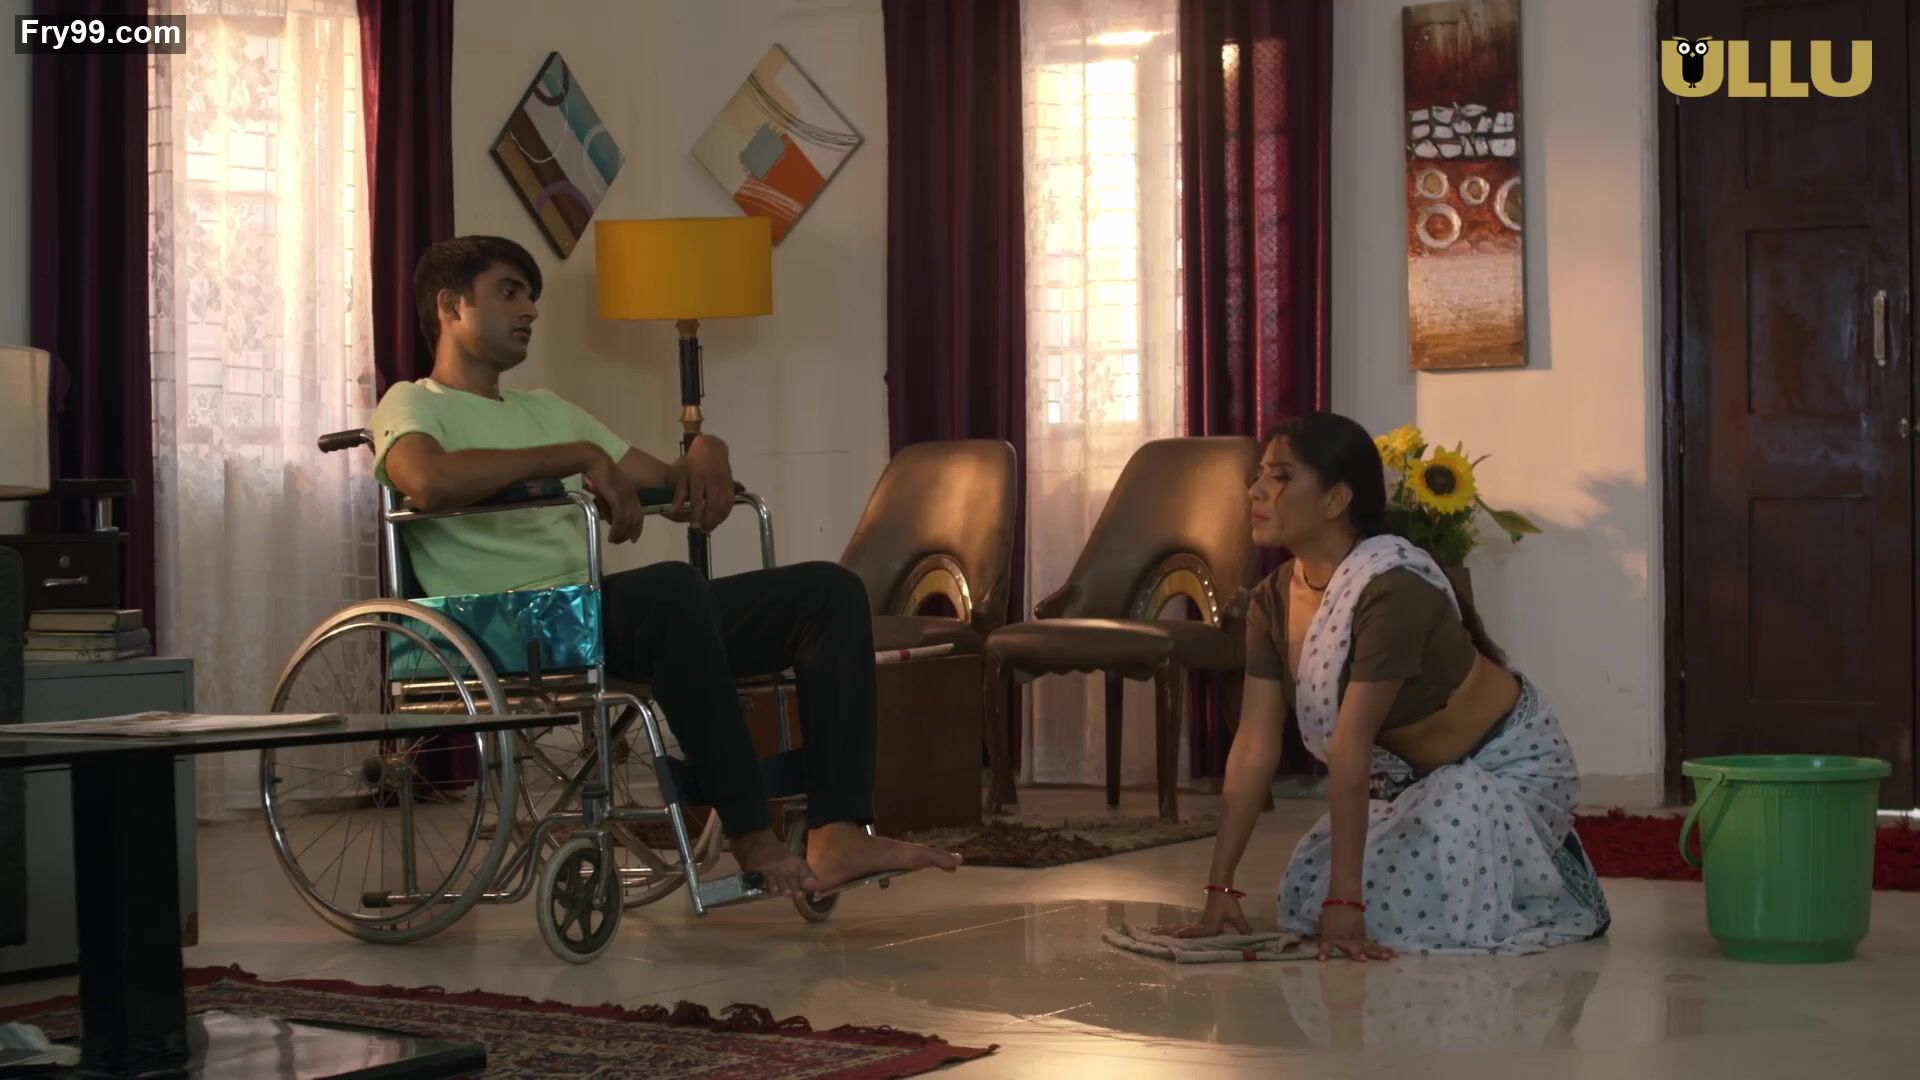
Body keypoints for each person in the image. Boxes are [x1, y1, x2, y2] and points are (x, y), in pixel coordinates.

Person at [370, 235, 960, 898]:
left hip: (590, 612)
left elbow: (674, 486)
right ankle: (749, 831)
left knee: (828, 593)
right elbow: (427, 480)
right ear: (450, 306)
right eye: (509, 292)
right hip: (501, 622)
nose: (530, 308)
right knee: (672, 590)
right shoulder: (413, 402)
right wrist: (575, 457)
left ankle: (838, 829)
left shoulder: (548, 410)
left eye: (532, 295)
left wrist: (709, 449)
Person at [1159, 412, 1608, 958]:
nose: (1255, 491)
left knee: (1385, 910)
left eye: (1279, 477)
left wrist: (1346, 905)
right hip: (1416, 787)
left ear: (1335, 500)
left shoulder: (1390, 588)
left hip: (1506, 770)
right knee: (1305, 895)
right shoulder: (1271, 600)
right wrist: (1220, 890)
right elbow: (1253, 746)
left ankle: (1549, 872)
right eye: (1258, 475)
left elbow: (1350, 745)